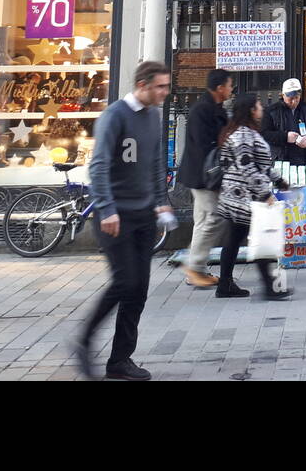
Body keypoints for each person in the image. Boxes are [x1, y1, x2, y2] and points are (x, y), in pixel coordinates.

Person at [75, 61, 175, 381]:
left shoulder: (153, 117)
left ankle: (120, 360)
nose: (165, 92)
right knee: (124, 282)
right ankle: (84, 340)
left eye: (166, 86)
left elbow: (156, 164)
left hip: (144, 214)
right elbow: (99, 166)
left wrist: (161, 202)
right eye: (160, 86)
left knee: (139, 289)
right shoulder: (115, 115)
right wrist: (106, 209)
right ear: (143, 85)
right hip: (116, 215)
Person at [215, 92, 291, 300]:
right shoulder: (243, 135)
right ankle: (269, 288)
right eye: (258, 105)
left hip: (238, 197)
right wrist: (265, 193)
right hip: (242, 199)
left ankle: (225, 284)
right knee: (261, 239)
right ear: (251, 109)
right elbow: (248, 167)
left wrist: (279, 181)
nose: (261, 108)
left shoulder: (246, 133)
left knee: (234, 241)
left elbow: (262, 164)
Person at [176, 68, 233, 289]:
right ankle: (195, 266)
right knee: (214, 218)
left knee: (202, 220)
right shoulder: (202, 110)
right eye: (229, 85)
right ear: (219, 88)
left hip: (204, 175)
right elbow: (204, 146)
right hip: (203, 176)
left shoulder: (215, 108)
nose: (231, 89)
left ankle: (195, 270)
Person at [262, 79, 306, 165]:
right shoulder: (272, 111)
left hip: (305, 159)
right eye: (290, 98)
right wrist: (285, 137)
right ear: (283, 95)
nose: (294, 101)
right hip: (281, 159)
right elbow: (264, 133)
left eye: (296, 98)